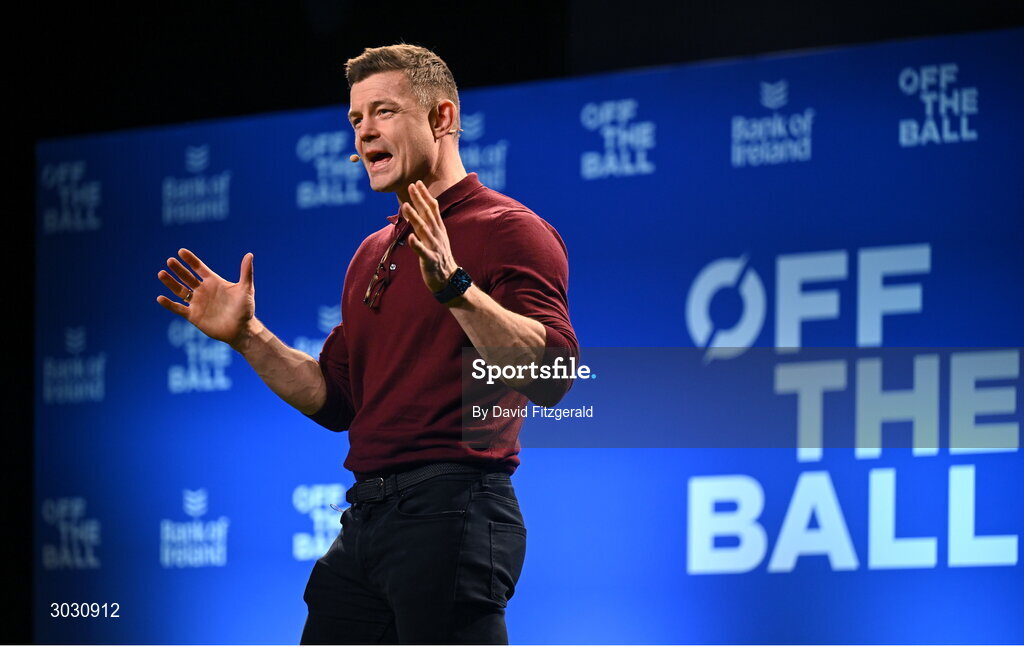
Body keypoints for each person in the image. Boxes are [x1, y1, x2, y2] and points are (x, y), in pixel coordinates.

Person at [155, 44, 577, 644]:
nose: (364, 132)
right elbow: (336, 399)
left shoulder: (509, 230)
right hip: (367, 518)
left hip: (455, 507)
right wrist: (249, 337)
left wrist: (456, 289)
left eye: (384, 111)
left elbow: (553, 374)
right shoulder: (371, 253)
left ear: (442, 118)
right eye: (355, 118)